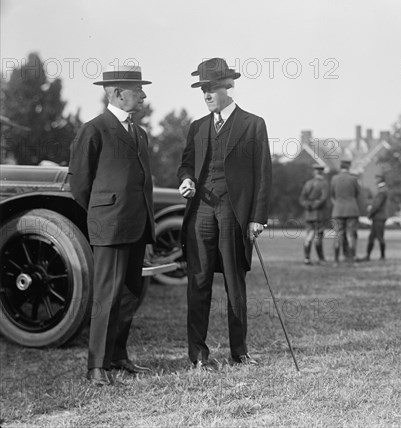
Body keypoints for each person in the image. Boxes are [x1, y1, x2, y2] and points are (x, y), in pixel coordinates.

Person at [177, 57, 272, 371]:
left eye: (211, 89)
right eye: (202, 90)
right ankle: (198, 356)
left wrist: (257, 217)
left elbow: (263, 174)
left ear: (227, 88)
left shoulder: (252, 124)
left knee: (235, 283)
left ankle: (239, 352)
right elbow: (186, 164)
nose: (205, 95)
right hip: (201, 212)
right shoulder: (197, 127)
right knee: (198, 283)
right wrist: (187, 179)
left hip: (233, 213)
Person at [68, 65, 155, 386]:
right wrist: (104, 215)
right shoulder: (94, 129)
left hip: (138, 225)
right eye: (138, 89)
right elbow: (80, 185)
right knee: (107, 295)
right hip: (111, 227)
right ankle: (96, 366)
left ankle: (118, 356)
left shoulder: (140, 133)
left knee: (131, 294)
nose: (144, 95)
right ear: (117, 93)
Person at [330, 160, 360, 265]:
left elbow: (332, 195)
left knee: (337, 235)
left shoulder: (334, 179)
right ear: (349, 167)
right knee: (351, 235)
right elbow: (357, 194)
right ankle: (351, 260)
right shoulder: (353, 179)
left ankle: (336, 261)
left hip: (337, 210)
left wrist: (338, 203)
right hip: (351, 210)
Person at [299, 164, 329, 265]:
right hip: (319, 214)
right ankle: (321, 259)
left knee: (309, 236)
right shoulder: (324, 184)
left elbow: (302, 199)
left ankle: (306, 258)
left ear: (315, 172)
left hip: (308, 214)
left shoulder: (308, 183)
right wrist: (315, 205)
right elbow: (323, 199)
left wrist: (308, 205)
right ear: (322, 172)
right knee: (318, 236)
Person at [360, 174, 388, 261]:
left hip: (378, 217)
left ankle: (381, 256)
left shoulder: (382, 191)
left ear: (380, 179)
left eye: (376, 179)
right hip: (378, 217)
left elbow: (377, 205)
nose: (375, 181)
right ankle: (369, 255)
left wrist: (370, 213)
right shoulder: (381, 190)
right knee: (372, 237)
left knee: (379, 237)